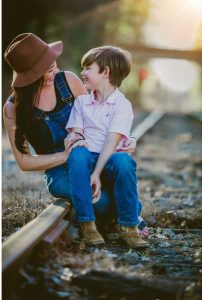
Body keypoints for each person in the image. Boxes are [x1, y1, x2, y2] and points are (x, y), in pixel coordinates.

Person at [3, 33, 147, 248]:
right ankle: (117, 217)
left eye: (55, 65)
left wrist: (130, 139)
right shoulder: (13, 108)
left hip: (90, 156)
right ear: (31, 76)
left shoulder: (68, 81)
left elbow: (99, 115)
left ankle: (125, 220)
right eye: (49, 70)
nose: (56, 72)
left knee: (121, 170)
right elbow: (24, 162)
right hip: (59, 170)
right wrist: (64, 155)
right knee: (101, 201)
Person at [66, 46, 148, 249]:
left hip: (108, 158)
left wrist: (96, 173)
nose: (82, 73)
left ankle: (128, 226)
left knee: (124, 161)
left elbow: (112, 143)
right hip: (86, 156)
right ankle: (87, 224)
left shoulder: (122, 105)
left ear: (106, 72)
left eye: (88, 68)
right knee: (77, 154)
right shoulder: (82, 103)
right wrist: (76, 139)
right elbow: (77, 134)